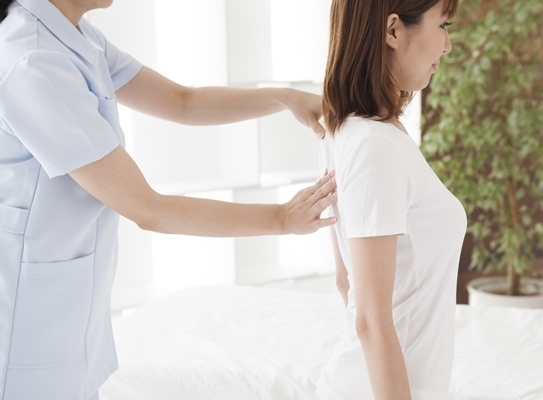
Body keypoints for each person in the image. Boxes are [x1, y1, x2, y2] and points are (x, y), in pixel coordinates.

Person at [0, 0, 337, 399]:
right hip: (27, 317)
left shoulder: (78, 35)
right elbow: (148, 209)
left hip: (66, 299)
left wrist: (284, 98)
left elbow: (182, 101)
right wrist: (281, 218)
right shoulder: (34, 61)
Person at [315, 0, 465, 399]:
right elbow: (371, 321)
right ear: (393, 30)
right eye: (443, 25)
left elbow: (346, 281)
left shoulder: (348, 130)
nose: (447, 45)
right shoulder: (373, 146)